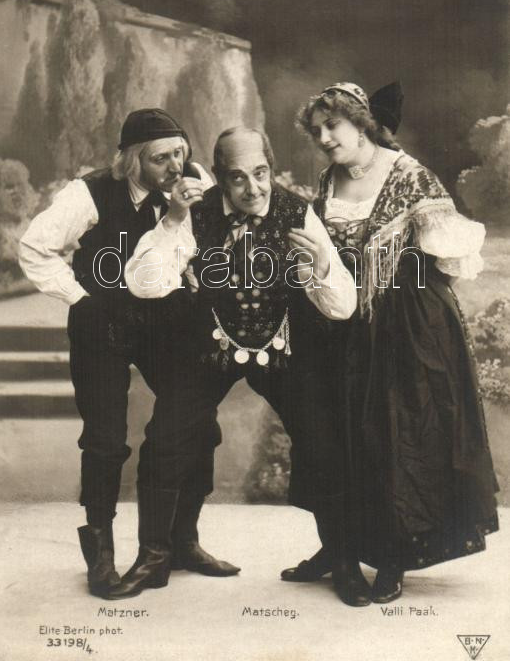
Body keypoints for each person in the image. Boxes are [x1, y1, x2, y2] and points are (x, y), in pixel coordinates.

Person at [124, 126, 374, 607]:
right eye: (237, 178)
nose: (252, 188)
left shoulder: (297, 211)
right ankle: (155, 555)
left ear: (272, 167)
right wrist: (173, 223)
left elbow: (342, 306)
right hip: (211, 344)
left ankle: (343, 560)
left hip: (283, 346)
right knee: (166, 437)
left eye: (260, 173)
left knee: (324, 438)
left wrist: (322, 266)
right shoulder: (192, 211)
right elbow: (144, 284)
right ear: (218, 176)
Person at [281, 81, 499, 603]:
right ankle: (338, 546)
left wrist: (402, 282)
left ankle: (394, 554)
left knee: (395, 434)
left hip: (405, 323)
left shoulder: (409, 174)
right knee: (336, 435)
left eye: (333, 126)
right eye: (317, 131)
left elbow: (451, 257)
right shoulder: (329, 178)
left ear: (361, 123)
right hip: (338, 320)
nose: (325, 138)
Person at [19, 108, 239, 601]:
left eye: (180, 153)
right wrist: (80, 299)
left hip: (164, 322)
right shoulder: (90, 192)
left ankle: (183, 541)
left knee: (197, 420)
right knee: (104, 439)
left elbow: (204, 243)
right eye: (162, 158)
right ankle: (100, 554)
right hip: (103, 324)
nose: (175, 166)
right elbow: (34, 247)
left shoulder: (192, 183)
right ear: (133, 160)